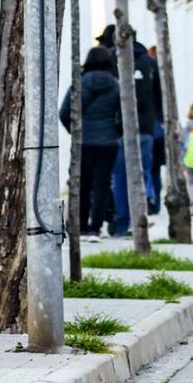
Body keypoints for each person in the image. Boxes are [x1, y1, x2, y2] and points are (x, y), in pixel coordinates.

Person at [98, 25, 162, 235]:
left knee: (120, 178)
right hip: (145, 129)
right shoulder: (149, 62)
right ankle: (140, 221)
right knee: (141, 176)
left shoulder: (112, 61)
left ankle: (122, 223)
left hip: (119, 129)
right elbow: (159, 98)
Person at [59, 46, 121, 241]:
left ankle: (81, 226)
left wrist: (75, 132)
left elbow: (64, 111)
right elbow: (123, 114)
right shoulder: (116, 84)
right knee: (102, 185)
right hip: (108, 142)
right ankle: (96, 227)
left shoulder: (79, 83)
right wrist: (116, 132)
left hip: (83, 142)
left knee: (82, 185)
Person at [149, 45, 167, 215]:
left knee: (149, 168)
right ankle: (155, 203)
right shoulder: (160, 75)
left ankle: (151, 199)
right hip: (157, 128)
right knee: (154, 169)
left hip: (149, 128)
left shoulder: (148, 70)